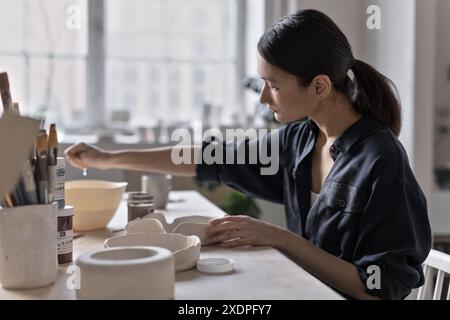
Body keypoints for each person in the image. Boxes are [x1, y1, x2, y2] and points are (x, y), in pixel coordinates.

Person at [65, 9, 431, 300]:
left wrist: (278, 237)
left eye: (273, 85)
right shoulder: (301, 139)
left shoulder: (383, 162)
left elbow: (378, 289)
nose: (262, 98)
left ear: (319, 86)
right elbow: (209, 157)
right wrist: (107, 158)